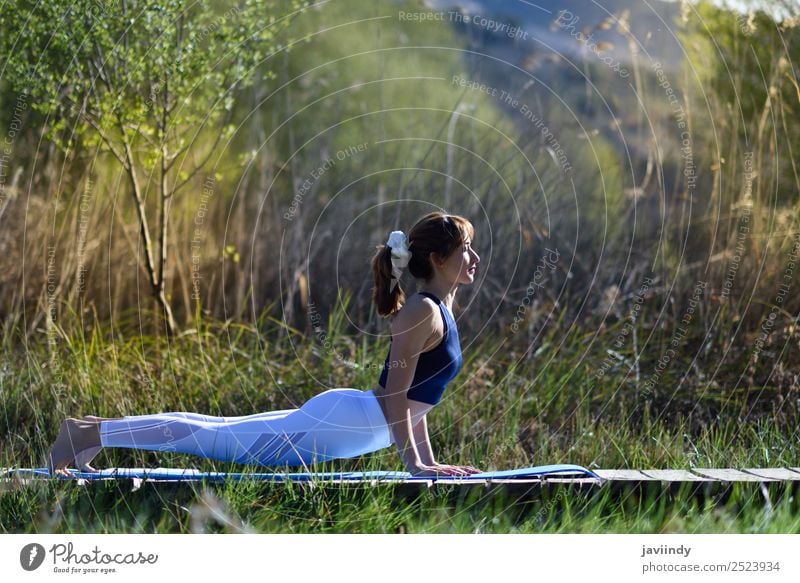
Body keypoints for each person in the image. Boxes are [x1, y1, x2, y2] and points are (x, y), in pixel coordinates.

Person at [47, 211, 482, 478]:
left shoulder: (436, 311)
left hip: (352, 424)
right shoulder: (422, 312)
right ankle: (89, 432)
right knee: (211, 439)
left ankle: (93, 428)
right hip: (344, 424)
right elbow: (395, 395)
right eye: (466, 248)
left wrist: (428, 463)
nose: (475, 258)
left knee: (215, 429)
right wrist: (415, 464)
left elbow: (413, 404)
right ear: (439, 259)